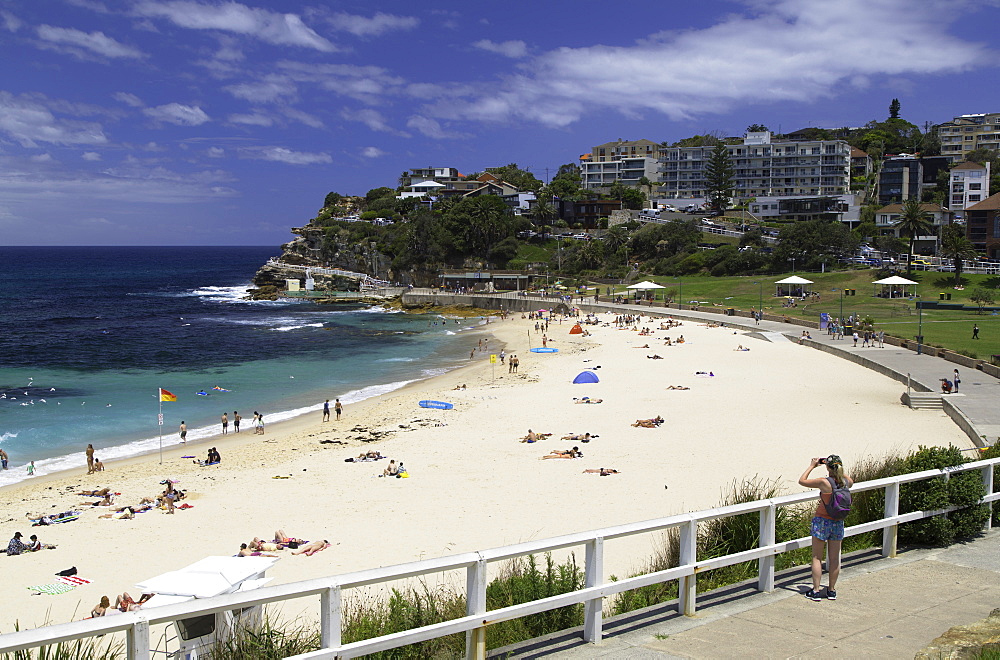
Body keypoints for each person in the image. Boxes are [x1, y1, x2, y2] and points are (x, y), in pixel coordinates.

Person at [799, 455, 852, 601]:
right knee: (834, 558)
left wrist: (812, 465)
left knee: (817, 557)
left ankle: (816, 591)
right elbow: (848, 480)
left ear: (827, 467)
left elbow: (802, 481)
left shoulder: (824, 483)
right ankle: (831, 590)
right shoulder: (847, 482)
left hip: (822, 521)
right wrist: (838, 471)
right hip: (838, 522)